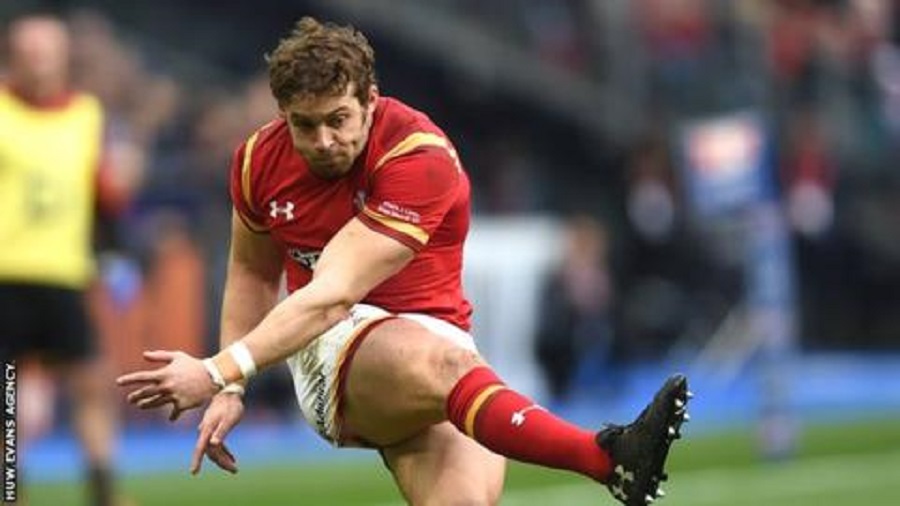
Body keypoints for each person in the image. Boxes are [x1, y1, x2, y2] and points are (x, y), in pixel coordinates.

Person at [117, 17, 691, 506]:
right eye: (304, 125)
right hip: (333, 349)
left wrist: (217, 371)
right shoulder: (257, 162)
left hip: (437, 348)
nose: (322, 141)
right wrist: (228, 384)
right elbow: (260, 275)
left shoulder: (419, 155)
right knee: (443, 365)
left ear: (370, 101)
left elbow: (335, 287)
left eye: (337, 119)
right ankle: (607, 458)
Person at [0, 13, 128, 506]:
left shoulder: (86, 115)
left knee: (92, 384)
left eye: (47, 51)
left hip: (64, 273)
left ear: (63, 57)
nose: (39, 61)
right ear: (13, 56)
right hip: (6, 273)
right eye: (29, 51)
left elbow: (102, 194)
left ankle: (103, 491)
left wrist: (114, 254)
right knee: (7, 394)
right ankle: (10, 490)